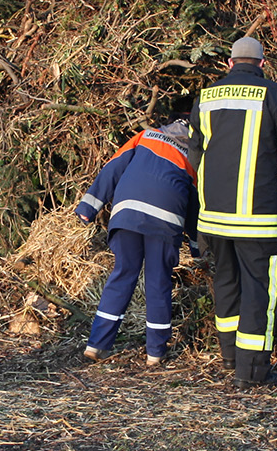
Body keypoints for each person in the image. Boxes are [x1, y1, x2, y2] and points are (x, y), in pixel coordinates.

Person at [187, 35, 277, 385]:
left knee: (226, 282)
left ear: (229, 63)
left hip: (213, 217)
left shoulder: (206, 97)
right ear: (261, 63)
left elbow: (195, 154)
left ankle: (229, 357)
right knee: (259, 290)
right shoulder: (276, 95)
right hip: (258, 219)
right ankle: (251, 372)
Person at [74, 109, 197, 366]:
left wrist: (89, 207)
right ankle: (155, 353)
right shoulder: (194, 158)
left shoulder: (145, 136)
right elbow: (195, 208)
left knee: (123, 274)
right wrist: (197, 248)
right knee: (158, 282)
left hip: (126, 214)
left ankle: (96, 345)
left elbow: (113, 169)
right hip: (165, 222)